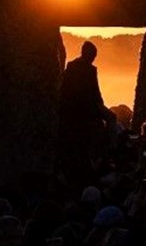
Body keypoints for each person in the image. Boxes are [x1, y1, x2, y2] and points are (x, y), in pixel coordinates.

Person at [58, 42, 114, 187]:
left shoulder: (70, 67)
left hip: (70, 108)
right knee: (112, 118)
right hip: (88, 107)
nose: (93, 58)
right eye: (93, 55)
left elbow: (63, 88)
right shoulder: (90, 70)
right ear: (88, 54)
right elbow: (96, 92)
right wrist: (101, 106)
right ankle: (110, 148)